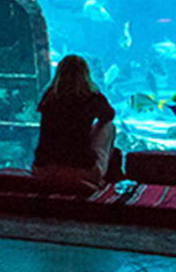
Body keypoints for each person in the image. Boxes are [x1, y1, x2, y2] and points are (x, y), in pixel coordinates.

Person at [31, 54, 117, 187]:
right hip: (81, 168)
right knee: (108, 125)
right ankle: (100, 178)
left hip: (42, 169)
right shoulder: (91, 97)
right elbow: (109, 115)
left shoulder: (49, 97)